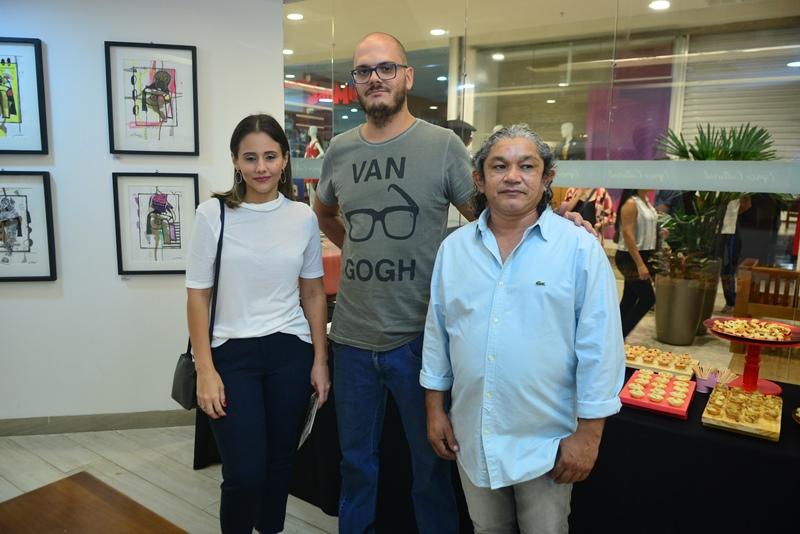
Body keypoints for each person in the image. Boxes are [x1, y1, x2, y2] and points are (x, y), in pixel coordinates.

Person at [313, 33, 592, 533]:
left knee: (431, 471)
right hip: (351, 338)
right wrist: (360, 248)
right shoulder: (340, 149)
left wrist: (555, 223)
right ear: (354, 81)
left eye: (386, 68)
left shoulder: (441, 146)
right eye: (364, 71)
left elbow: (491, 218)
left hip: (418, 339)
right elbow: (325, 212)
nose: (375, 78)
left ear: (407, 76)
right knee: (355, 466)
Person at [421, 124, 624, 534]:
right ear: (479, 179)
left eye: (527, 166)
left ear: (547, 178)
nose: (512, 176)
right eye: (499, 166)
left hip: (546, 442)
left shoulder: (578, 248)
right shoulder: (454, 250)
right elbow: (438, 335)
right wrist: (435, 410)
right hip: (472, 432)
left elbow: (601, 347)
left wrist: (589, 436)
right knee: (486, 528)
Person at [185, 114, 331, 534]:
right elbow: (197, 296)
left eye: (270, 156)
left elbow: (313, 293)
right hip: (231, 354)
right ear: (235, 160)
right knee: (244, 472)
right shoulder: (213, 214)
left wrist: (320, 360)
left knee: (280, 464)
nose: (261, 167)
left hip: (290, 350)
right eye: (250, 158)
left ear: (285, 159)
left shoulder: (302, 217)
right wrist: (205, 368)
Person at [614, 189, 658, 338]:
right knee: (648, 299)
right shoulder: (631, 203)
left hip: (644, 254)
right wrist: (640, 264)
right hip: (630, 257)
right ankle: (619, 336)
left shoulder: (646, 203)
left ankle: (613, 335)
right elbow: (627, 234)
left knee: (629, 299)